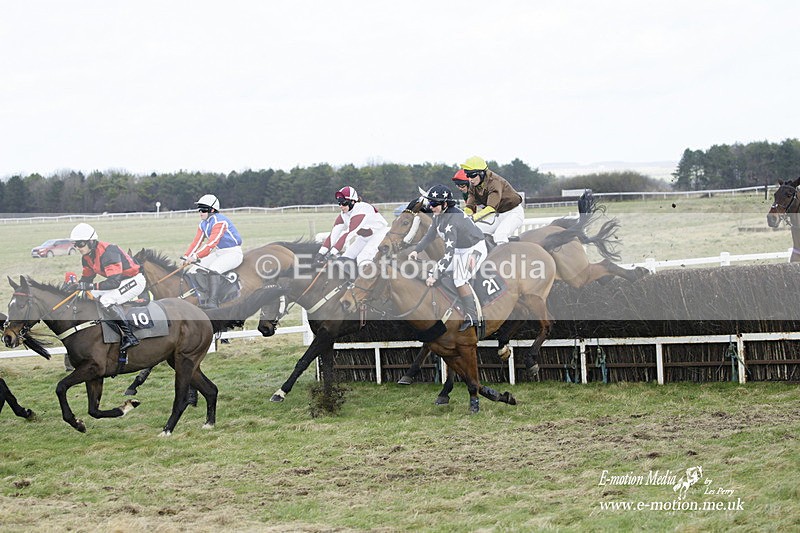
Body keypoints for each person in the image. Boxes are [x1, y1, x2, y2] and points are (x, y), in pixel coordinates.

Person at [408, 184, 488, 331]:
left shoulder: (452, 220)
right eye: (429, 203)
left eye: (433, 204)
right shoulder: (440, 215)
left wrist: (436, 275)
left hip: (474, 249)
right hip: (460, 249)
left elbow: (449, 253)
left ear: (445, 204)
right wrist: (416, 250)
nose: (430, 207)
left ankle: (472, 317)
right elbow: (430, 235)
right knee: (433, 270)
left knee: (459, 278)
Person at [67, 223, 146, 351]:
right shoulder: (86, 257)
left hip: (134, 280)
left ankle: (130, 336)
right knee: (90, 295)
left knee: (106, 300)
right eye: (75, 244)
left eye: (80, 244)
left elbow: (114, 283)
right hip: (119, 281)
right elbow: (86, 279)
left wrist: (88, 285)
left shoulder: (108, 252)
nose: (77, 247)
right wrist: (75, 287)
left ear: (91, 242)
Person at [181, 194, 243, 308]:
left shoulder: (220, 221)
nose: (200, 212)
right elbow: (196, 242)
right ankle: (202, 296)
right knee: (194, 270)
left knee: (214, 270)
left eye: (203, 210)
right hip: (219, 253)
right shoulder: (203, 224)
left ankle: (213, 301)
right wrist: (186, 256)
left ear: (212, 210)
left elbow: (211, 244)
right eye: (199, 210)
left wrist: (195, 256)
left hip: (233, 253)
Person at [316, 186, 389, 266]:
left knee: (362, 259)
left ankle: (372, 277)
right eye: (339, 202)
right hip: (364, 237)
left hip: (380, 234)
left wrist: (332, 252)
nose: (341, 206)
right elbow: (333, 234)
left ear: (353, 201)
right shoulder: (344, 213)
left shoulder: (361, 210)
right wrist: (321, 252)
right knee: (345, 258)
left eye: (343, 202)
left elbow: (348, 234)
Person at [460, 156, 525, 245]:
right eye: (467, 175)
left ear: (482, 173)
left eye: (472, 175)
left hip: (513, 213)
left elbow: (490, 208)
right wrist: (465, 217)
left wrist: (473, 218)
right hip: (498, 215)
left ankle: (504, 257)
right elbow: (470, 206)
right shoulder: (473, 185)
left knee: (499, 236)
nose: (470, 179)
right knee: (474, 231)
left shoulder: (495, 182)